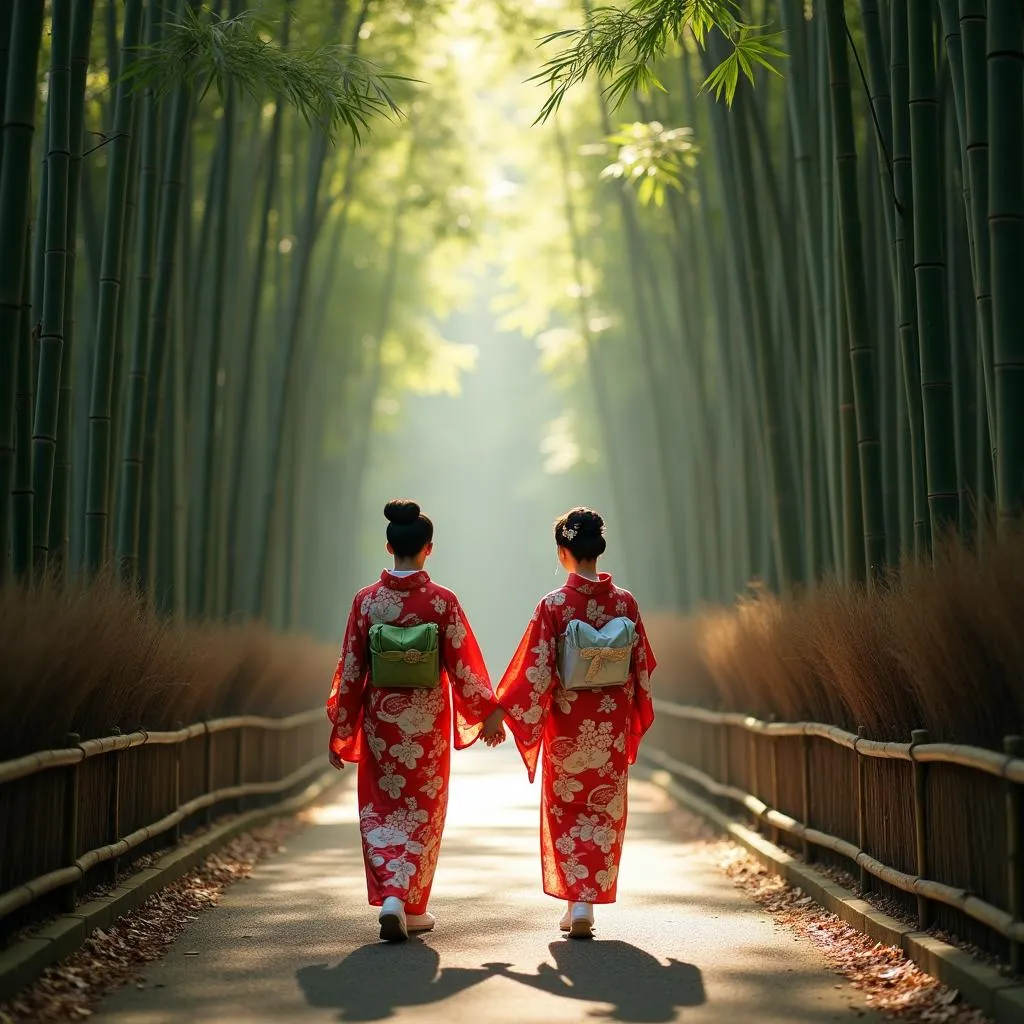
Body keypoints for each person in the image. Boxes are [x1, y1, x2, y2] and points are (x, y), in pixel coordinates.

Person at [326, 499, 505, 942]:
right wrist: (488, 713)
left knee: (381, 805)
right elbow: (464, 665)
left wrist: (343, 724)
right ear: (429, 548)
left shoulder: (367, 602)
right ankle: (411, 903)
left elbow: (351, 669)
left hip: (382, 724)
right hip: (426, 726)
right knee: (422, 809)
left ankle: (391, 896)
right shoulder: (442, 602)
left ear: (389, 547)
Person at [485, 507, 656, 938]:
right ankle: (585, 903)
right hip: (610, 725)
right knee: (603, 810)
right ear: (598, 550)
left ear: (563, 553)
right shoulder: (625, 603)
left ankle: (576, 901)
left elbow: (534, 670)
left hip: (568, 724)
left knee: (568, 808)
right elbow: (643, 668)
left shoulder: (555, 605)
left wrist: (500, 711)